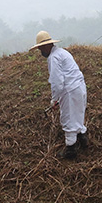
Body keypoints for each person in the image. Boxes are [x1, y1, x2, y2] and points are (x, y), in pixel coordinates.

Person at [29, 30, 88, 160]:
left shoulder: (53, 58)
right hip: (80, 87)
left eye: (40, 49)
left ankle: (70, 150)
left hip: (70, 91)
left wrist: (54, 99)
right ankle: (83, 138)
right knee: (78, 114)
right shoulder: (63, 52)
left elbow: (57, 82)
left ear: (45, 47)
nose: (41, 52)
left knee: (68, 118)